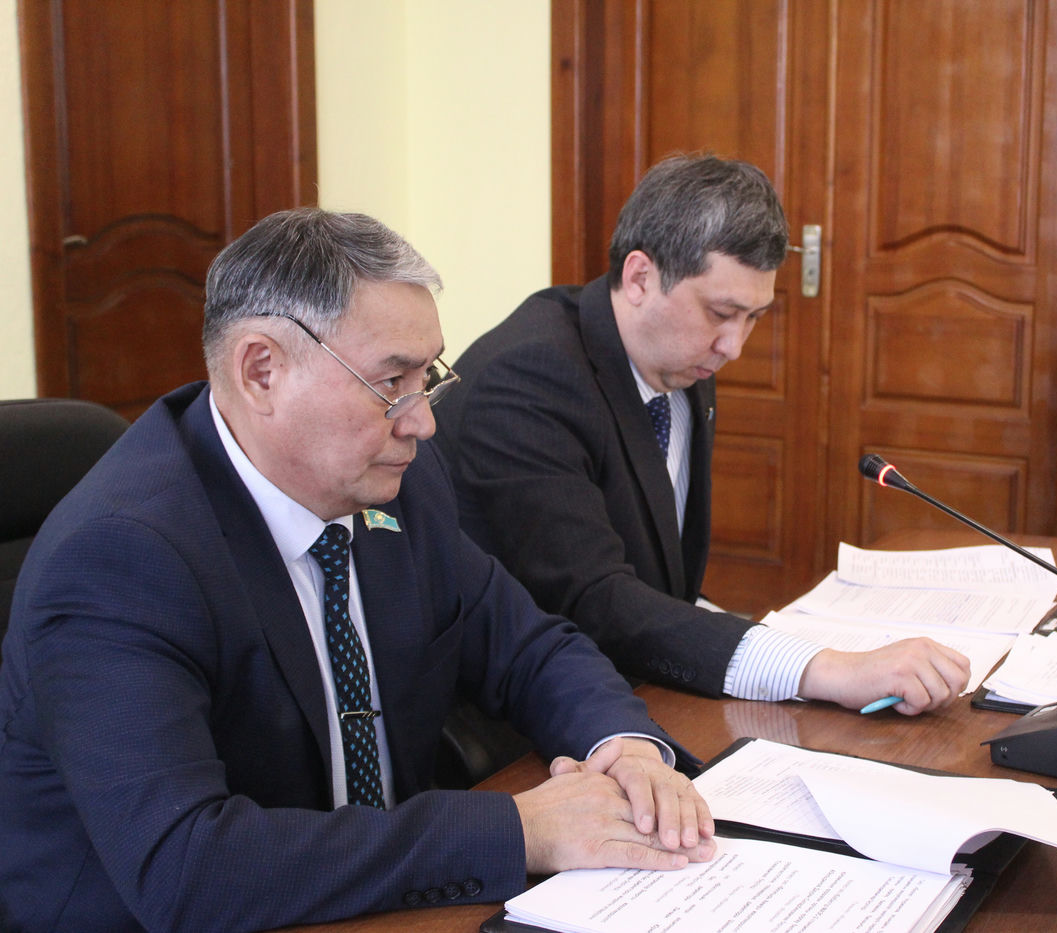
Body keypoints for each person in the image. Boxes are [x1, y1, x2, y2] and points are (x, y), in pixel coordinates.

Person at [0, 208, 714, 933]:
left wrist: (624, 747)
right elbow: (188, 866)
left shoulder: (395, 480)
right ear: (261, 372)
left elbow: (528, 645)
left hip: (379, 900)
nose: (422, 420)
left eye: (427, 376)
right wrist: (517, 829)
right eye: (390, 381)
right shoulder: (121, 559)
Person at [434, 154, 971, 716]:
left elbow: (663, 588)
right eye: (721, 312)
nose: (734, 347)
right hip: (523, 722)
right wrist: (823, 668)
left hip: (633, 682)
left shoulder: (681, 362)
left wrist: (796, 651)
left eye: (754, 317)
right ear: (640, 278)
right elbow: (594, 600)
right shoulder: (529, 378)